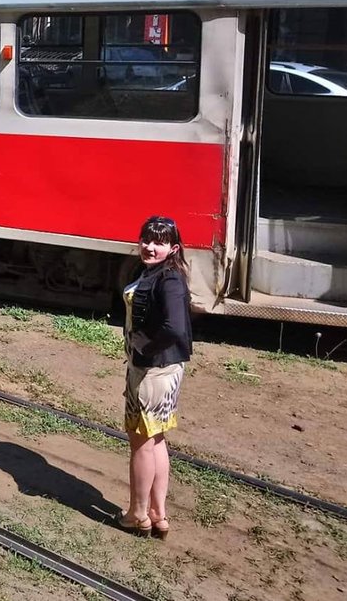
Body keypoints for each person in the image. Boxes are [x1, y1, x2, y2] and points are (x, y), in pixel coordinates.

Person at [119, 215, 193, 540]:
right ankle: (158, 514)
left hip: (153, 372)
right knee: (157, 439)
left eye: (159, 242)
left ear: (173, 247)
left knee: (141, 444)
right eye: (146, 239)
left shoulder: (170, 279)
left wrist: (146, 349)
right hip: (163, 370)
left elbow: (175, 328)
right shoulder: (157, 272)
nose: (149, 246)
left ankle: (137, 514)